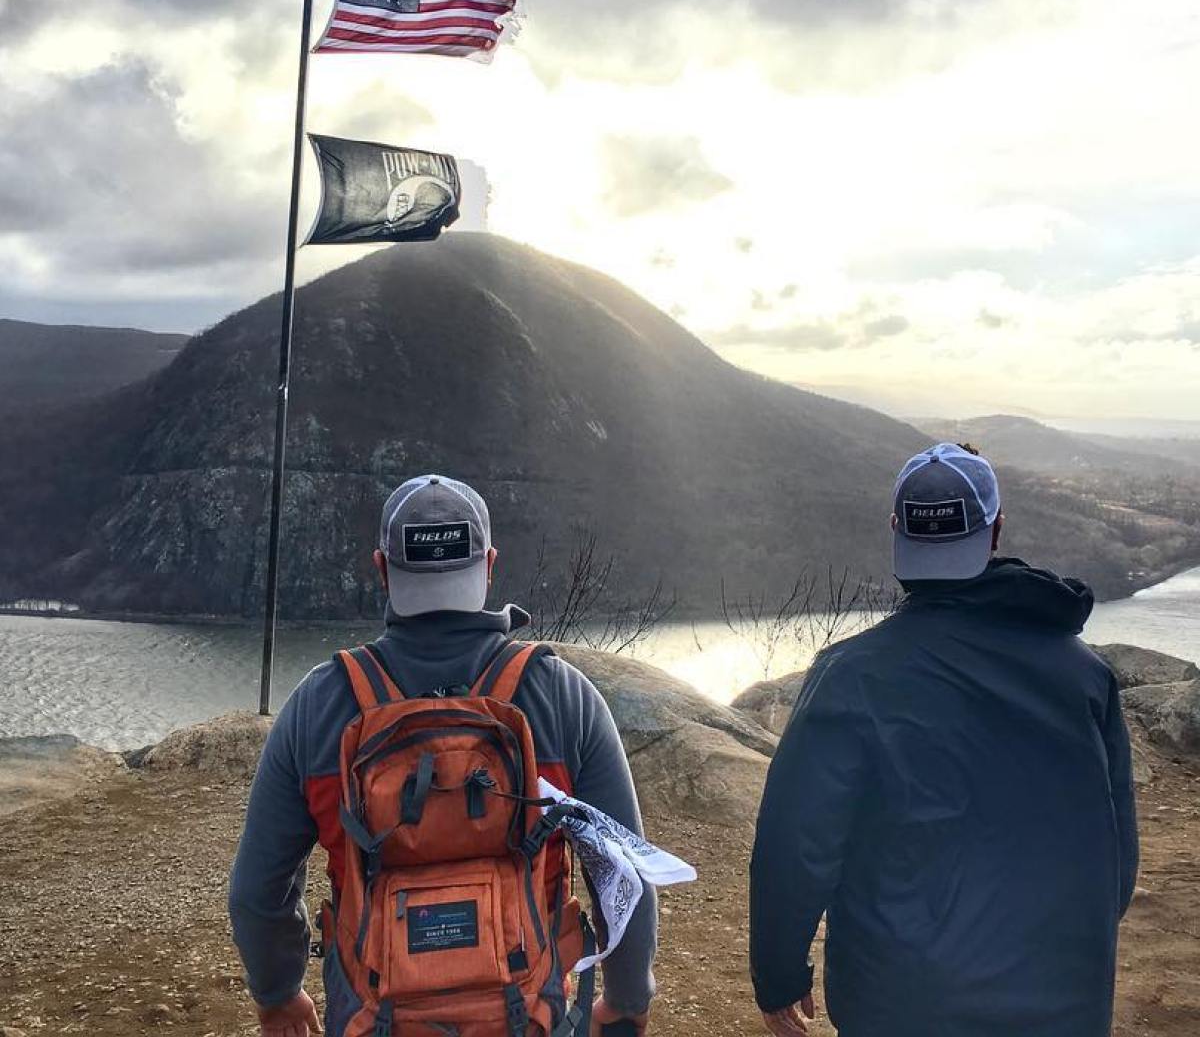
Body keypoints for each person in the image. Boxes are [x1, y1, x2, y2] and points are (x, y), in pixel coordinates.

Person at [229, 474, 657, 1037]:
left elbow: (258, 890)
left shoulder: (319, 704)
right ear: (489, 565)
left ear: (382, 569)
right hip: (528, 1016)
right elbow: (623, 872)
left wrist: (279, 992)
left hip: (372, 1016)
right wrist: (627, 998)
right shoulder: (563, 696)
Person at [749, 442, 1138, 1037]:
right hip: (1063, 1001)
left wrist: (778, 973)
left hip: (904, 1001)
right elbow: (1119, 859)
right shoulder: (1083, 675)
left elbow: (796, 843)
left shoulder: (852, 677)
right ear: (995, 531)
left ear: (897, 534)